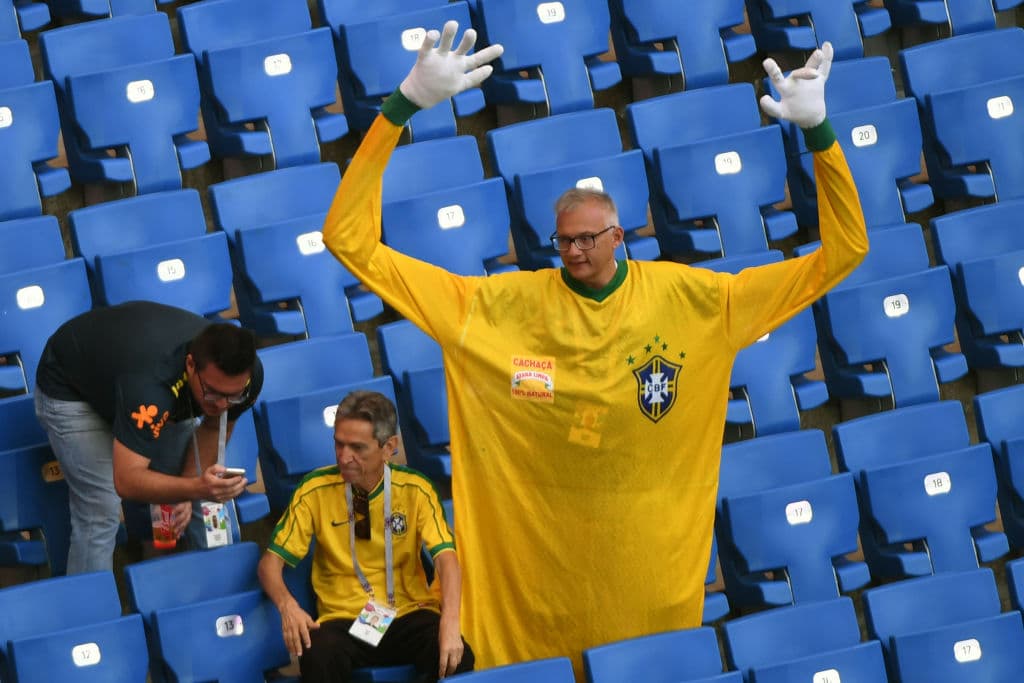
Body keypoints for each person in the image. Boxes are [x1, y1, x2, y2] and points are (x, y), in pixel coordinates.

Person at [322, 21, 867, 673]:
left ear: (621, 236)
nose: (576, 251)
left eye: (589, 238)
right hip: (532, 602)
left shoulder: (697, 300)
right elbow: (348, 241)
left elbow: (844, 252)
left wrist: (820, 136)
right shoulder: (496, 307)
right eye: (564, 241)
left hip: (648, 593)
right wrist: (400, 107)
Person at [257, 390, 472, 683]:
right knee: (317, 653)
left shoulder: (416, 489)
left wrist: (449, 620)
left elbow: (447, 559)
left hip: (408, 612)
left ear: (389, 447)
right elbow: (269, 564)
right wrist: (288, 606)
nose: (345, 457)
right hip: (344, 621)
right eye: (339, 444)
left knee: (457, 655)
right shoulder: (314, 490)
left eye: (358, 448)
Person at [34, 300, 263, 574]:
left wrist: (188, 488)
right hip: (72, 389)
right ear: (190, 364)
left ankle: (167, 584)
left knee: (187, 490)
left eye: (233, 396)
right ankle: (91, 610)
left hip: (146, 386)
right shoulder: (153, 386)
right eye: (213, 392)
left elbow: (215, 427)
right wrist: (195, 488)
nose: (223, 405)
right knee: (101, 507)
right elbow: (126, 481)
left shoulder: (244, 380)